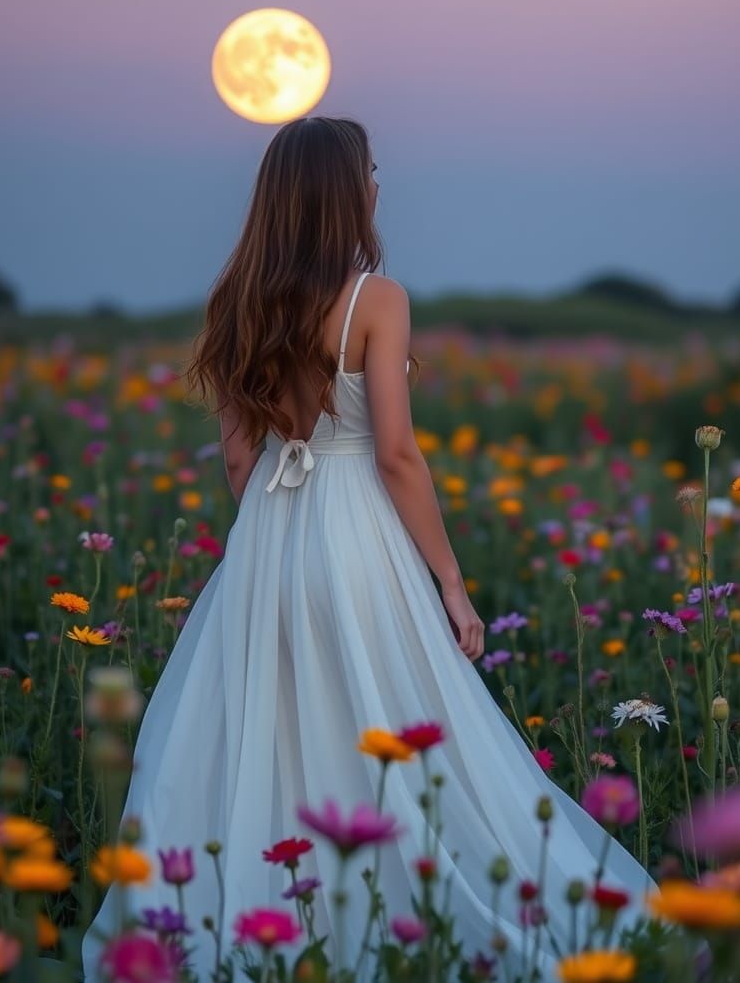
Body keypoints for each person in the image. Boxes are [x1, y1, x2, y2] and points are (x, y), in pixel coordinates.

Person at [81, 116, 651, 981]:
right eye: (371, 171)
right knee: (387, 715)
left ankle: (267, 918)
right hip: (354, 527)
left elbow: (236, 458)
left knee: (269, 727)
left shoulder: (237, 298)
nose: (380, 184)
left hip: (268, 527)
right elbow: (395, 455)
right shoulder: (376, 300)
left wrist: (274, 531)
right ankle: (397, 914)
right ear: (344, 191)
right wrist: (450, 581)